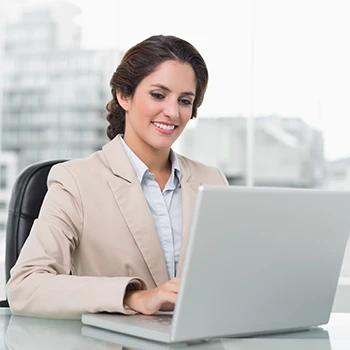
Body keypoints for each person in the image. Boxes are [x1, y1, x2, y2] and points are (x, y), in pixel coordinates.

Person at [6, 35, 228, 319]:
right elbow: (25, 287)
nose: (172, 112)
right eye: (158, 95)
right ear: (124, 96)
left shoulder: (212, 181)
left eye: (185, 100)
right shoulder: (75, 181)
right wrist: (133, 297)